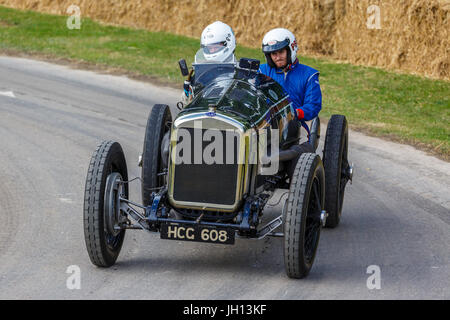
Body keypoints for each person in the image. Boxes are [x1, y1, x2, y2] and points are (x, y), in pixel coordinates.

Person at [259, 28, 322, 124]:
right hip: (263, 125)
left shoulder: (309, 75)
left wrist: (295, 113)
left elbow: (313, 105)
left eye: (281, 52)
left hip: (295, 126)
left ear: (291, 49)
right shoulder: (260, 71)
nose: (278, 57)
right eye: (274, 54)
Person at [181, 21, 237, 105]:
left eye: (216, 47)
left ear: (228, 43)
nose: (212, 50)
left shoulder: (240, 70)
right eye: (209, 48)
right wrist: (187, 93)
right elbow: (185, 102)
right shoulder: (200, 73)